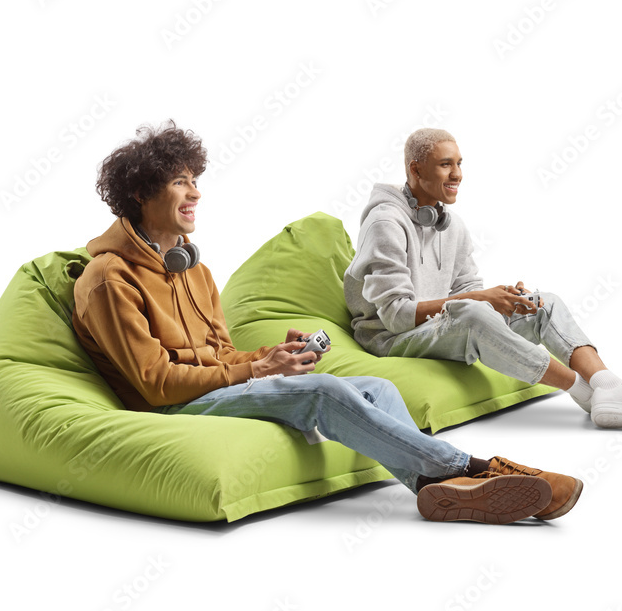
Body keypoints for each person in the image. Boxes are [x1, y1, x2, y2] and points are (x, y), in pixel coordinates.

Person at [71, 121, 583, 524]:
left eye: (195, 181)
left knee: (378, 388)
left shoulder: (193, 268)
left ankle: (435, 490)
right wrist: (253, 372)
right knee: (323, 392)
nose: (196, 193)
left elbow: (223, 355)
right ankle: (471, 469)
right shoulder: (108, 279)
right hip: (175, 407)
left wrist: (270, 357)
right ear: (140, 194)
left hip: (215, 385)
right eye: (180, 182)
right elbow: (156, 385)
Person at [344, 128, 622, 430]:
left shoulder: (451, 225)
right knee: (474, 314)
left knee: (542, 303)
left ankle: (606, 386)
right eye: (446, 164)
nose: (458, 174)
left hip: (433, 328)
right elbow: (396, 315)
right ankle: (583, 392)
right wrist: (480, 302)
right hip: (392, 339)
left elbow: (467, 289)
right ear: (415, 170)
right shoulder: (385, 223)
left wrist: (502, 298)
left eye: (460, 163)